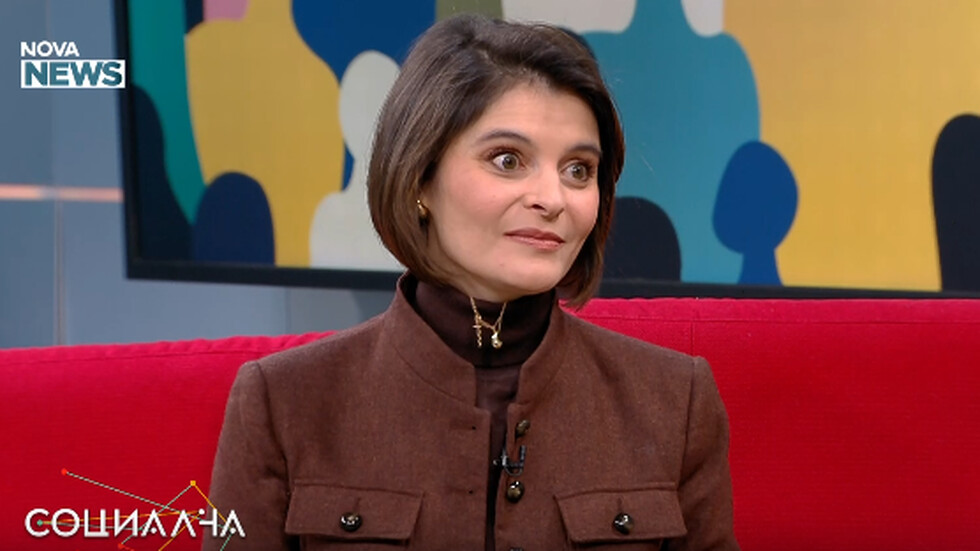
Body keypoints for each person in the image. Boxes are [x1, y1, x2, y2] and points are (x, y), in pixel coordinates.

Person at [204, 13, 738, 551]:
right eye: (508, 160)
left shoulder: (676, 401)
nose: (553, 199)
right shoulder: (283, 402)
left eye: (578, 169)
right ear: (420, 178)